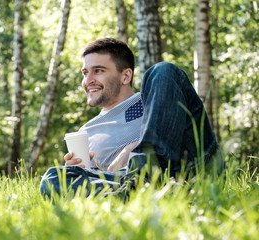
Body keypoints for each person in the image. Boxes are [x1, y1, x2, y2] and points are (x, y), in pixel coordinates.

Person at [40, 38, 224, 199]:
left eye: (98, 71)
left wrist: (134, 148)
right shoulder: (86, 132)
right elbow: (101, 177)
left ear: (126, 75)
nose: (88, 81)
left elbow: (178, 127)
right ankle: (138, 193)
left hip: (187, 166)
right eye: (85, 72)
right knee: (53, 178)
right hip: (124, 181)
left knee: (163, 70)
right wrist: (79, 171)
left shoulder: (157, 95)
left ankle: (145, 180)